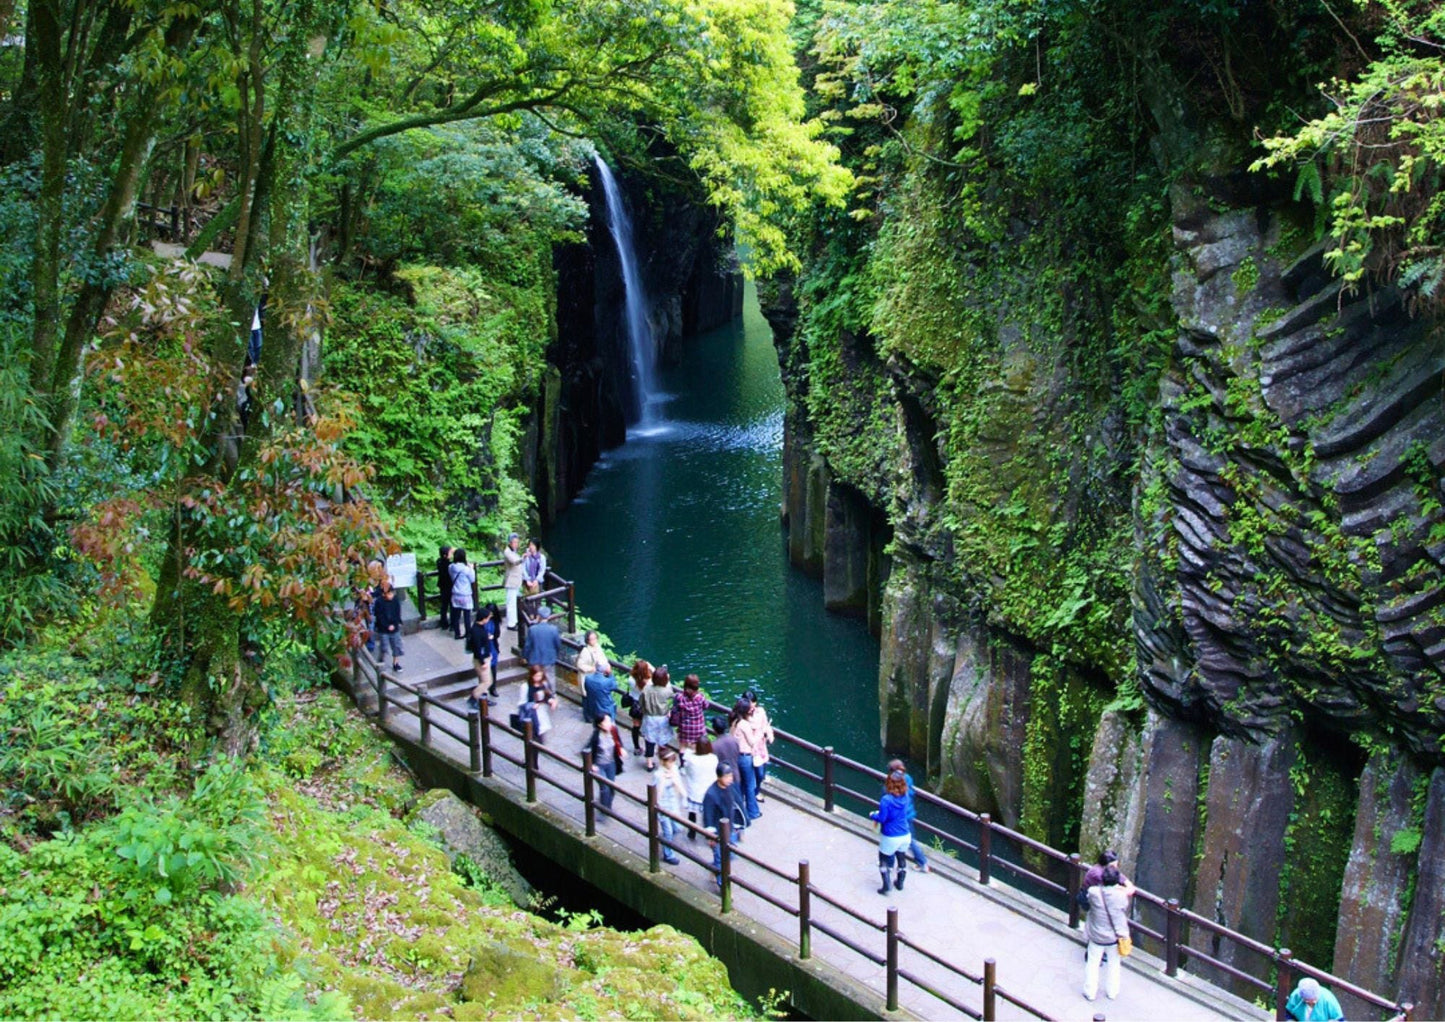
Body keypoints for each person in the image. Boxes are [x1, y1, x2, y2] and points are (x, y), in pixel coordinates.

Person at [1083, 865, 1135, 1002]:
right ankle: (1112, 992)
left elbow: (1088, 897)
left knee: (1092, 963)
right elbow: (1125, 901)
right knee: (1114, 964)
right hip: (1114, 936)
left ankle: (1090, 992)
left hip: (1096, 935)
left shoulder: (1093, 892)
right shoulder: (1121, 896)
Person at [702, 762, 744, 887]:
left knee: (730, 855)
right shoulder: (711, 794)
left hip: (730, 829)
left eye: (730, 776)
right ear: (719, 777)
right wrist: (710, 835)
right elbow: (708, 816)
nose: (730, 779)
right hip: (718, 832)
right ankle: (723, 885)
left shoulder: (731, 788)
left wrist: (739, 827)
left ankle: (714, 868)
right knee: (721, 859)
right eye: (727, 777)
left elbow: (737, 806)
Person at [887, 758, 931, 873]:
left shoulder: (893, 783)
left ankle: (921, 863)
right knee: (909, 839)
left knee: (893, 838)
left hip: (899, 817)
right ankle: (922, 863)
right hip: (908, 814)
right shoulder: (907, 778)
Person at [869, 771, 911, 894]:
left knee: (883, 859)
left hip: (891, 835)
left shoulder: (886, 800)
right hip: (905, 833)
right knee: (901, 857)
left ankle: (886, 885)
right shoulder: (906, 796)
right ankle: (900, 883)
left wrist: (873, 815)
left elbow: (883, 818)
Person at [649, 747, 687, 864]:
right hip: (663, 805)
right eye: (669, 761)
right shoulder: (658, 775)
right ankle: (668, 854)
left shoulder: (674, 769)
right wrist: (664, 781)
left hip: (673, 803)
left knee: (678, 828)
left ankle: (665, 840)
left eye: (673, 761)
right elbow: (657, 794)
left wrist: (684, 796)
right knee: (668, 831)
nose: (671, 764)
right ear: (663, 762)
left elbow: (678, 783)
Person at [585, 713, 626, 815]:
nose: (609, 724)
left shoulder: (614, 731)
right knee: (605, 788)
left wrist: (621, 749)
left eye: (609, 721)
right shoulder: (596, 736)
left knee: (611, 788)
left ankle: (608, 806)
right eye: (606, 722)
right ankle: (603, 810)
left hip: (611, 763)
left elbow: (618, 743)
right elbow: (587, 749)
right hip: (599, 765)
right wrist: (592, 764)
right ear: (600, 725)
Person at [731, 697, 763, 820]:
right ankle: (753, 811)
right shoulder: (744, 724)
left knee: (739, 784)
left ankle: (739, 811)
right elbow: (752, 742)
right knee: (750, 785)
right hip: (745, 757)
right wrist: (759, 734)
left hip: (736, 756)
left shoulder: (734, 722)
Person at [638, 665, 676, 770]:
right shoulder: (666, 691)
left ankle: (649, 764)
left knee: (649, 741)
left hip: (649, 718)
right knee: (663, 741)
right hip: (662, 718)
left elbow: (641, 702)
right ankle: (663, 761)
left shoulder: (647, 688)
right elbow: (673, 696)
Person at [681, 739, 719, 842]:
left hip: (695, 790)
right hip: (709, 790)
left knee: (692, 813)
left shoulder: (691, 760)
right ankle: (709, 833)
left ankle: (691, 831)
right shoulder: (713, 759)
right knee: (708, 813)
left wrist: (690, 749)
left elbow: (685, 768)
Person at [742, 690, 775, 801]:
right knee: (752, 773)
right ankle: (751, 793)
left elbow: (766, 725)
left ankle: (756, 791)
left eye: (753, 703)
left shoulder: (760, 712)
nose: (752, 706)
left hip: (760, 747)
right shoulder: (742, 716)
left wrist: (769, 735)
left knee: (760, 773)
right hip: (749, 747)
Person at [466, 606, 499, 708]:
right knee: (487, 681)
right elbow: (477, 649)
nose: (488, 620)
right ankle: (474, 697)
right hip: (482, 659)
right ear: (483, 618)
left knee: (483, 680)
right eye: (488, 618)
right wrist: (482, 662)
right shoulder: (476, 631)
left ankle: (483, 698)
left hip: (485, 657)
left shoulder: (480, 628)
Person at [522, 606, 562, 689]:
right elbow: (557, 644)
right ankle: (551, 696)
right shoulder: (553, 629)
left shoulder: (532, 629)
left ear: (538, 616)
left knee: (535, 678)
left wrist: (525, 657)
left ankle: (534, 696)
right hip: (549, 658)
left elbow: (528, 646)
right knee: (550, 678)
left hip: (535, 659)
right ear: (548, 617)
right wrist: (555, 654)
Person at [518, 663, 557, 747]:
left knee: (542, 730)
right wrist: (532, 705)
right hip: (532, 713)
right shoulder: (525, 687)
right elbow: (522, 703)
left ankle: (540, 744)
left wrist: (551, 701)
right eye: (536, 676)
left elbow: (548, 696)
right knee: (534, 730)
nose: (538, 678)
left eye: (540, 676)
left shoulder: (544, 684)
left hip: (542, 711)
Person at [672, 674, 708, 750]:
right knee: (695, 748)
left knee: (682, 746)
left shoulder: (679, 697)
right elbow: (706, 706)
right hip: (698, 728)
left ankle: (682, 761)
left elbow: (676, 708)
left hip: (684, 728)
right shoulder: (700, 697)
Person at [373, 582, 404, 671]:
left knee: (396, 646)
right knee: (384, 646)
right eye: (389, 594)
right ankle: (381, 660)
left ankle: (396, 663)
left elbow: (397, 613)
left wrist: (394, 624)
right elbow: (379, 616)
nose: (391, 595)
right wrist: (386, 625)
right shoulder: (379, 602)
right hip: (383, 628)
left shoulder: (395, 600)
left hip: (394, 628)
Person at [623, 660, 651, 754]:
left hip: (635, 705)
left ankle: (637, 748)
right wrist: (649, 665)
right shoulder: (649, 683)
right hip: (646, 706)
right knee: (648, 727)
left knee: (636, 726)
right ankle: (649, 751)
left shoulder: (631, 680)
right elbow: (656, 672)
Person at [449, 549, 476, 640]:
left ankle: (457, 633)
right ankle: (468, 633)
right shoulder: (466, 570)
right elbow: (472, 580)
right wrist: (471, 568)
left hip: (455, 594)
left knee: (456, 616)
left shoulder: (451, 567)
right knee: (467, 615)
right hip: (465, 594)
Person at [501, 533, 524, 630]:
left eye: (517, 542)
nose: (516, 544)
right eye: (514, 542)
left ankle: (515, 621)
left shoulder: (513, 551)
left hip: (516, 581)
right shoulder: (507, 552)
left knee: (515, 602)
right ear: (510, 543)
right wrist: (523, 558)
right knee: (511, 603)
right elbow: (515, 561)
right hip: (511, 581)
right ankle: (511, 624)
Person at [435, 545, 454, 633]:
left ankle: (444, 622)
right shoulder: (449, 565)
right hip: (449, 586)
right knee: (452, 605)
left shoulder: (439, 562)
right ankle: (453, 623)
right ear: (445, 555)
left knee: (444, 605)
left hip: (442, 586)